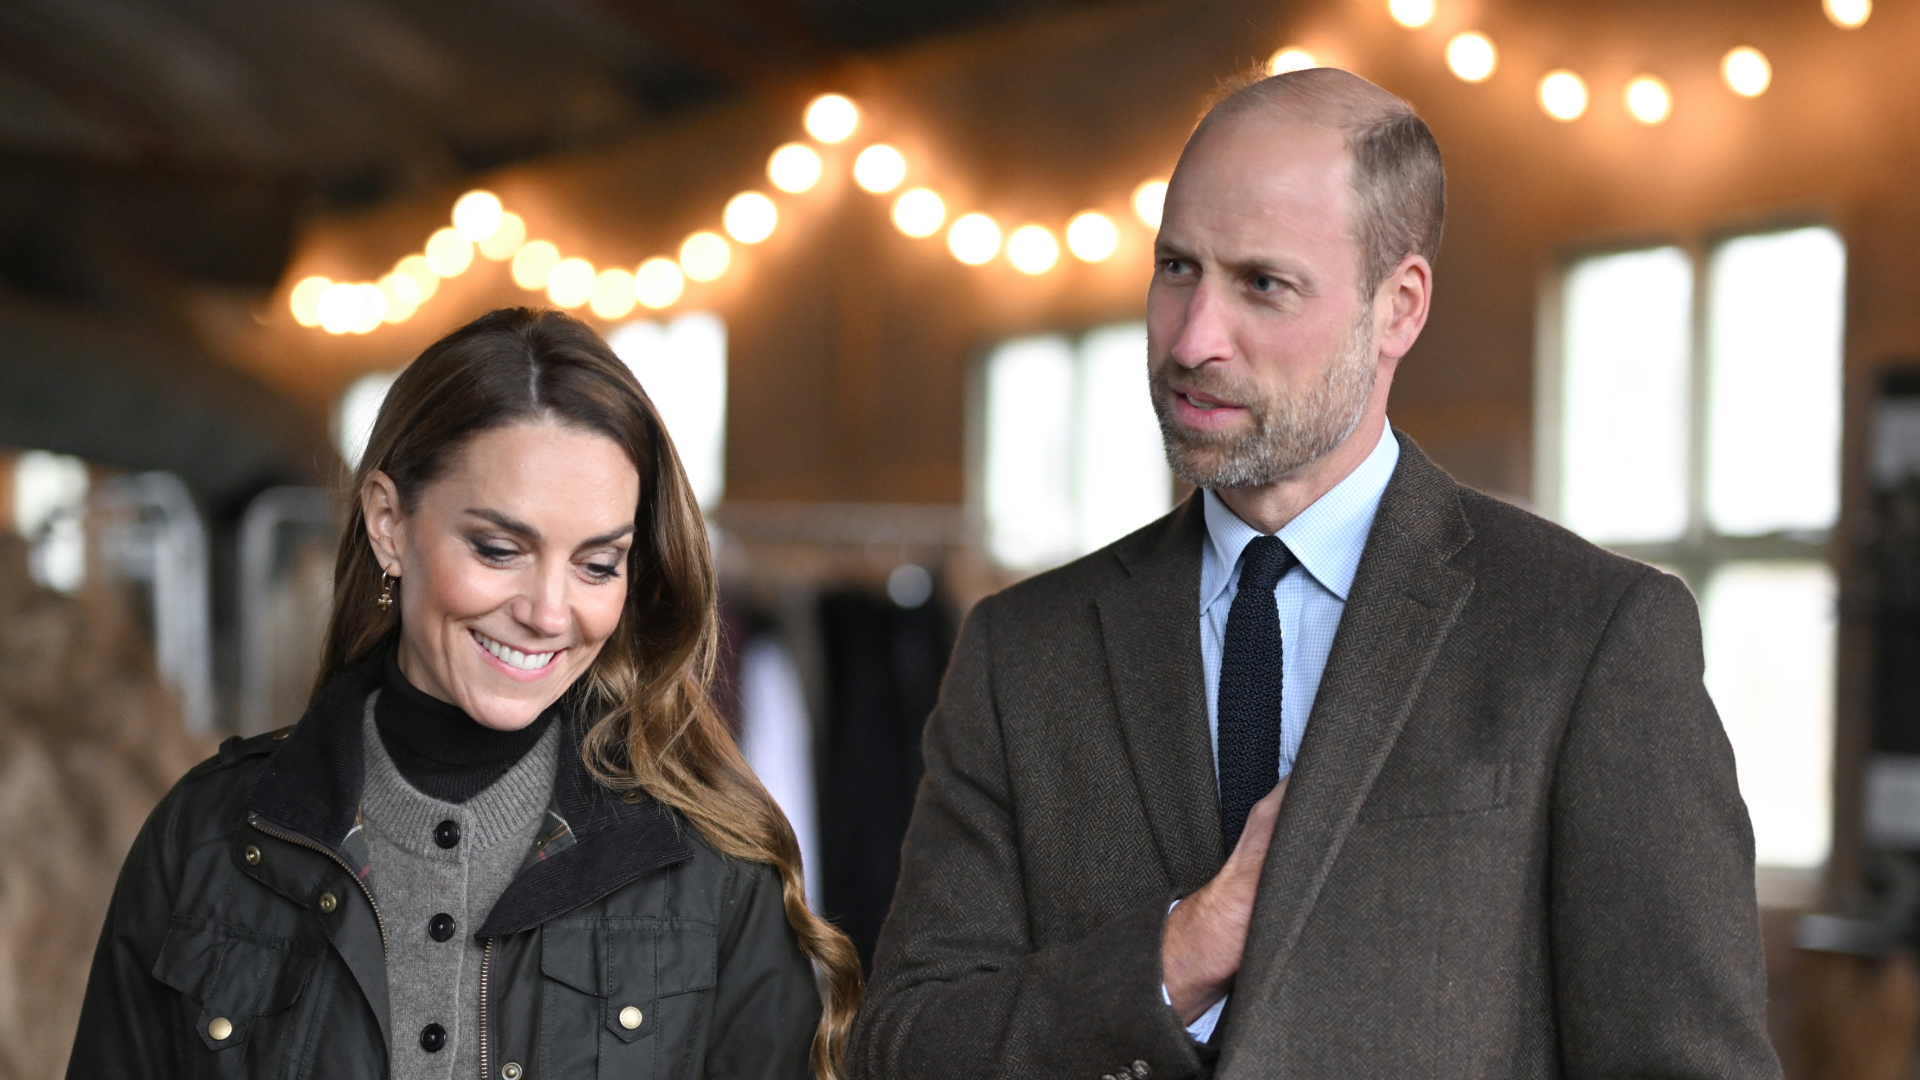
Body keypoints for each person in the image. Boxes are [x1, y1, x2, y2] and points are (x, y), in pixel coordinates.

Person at [849, 68, 1781, 1079]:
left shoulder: (1591, 637)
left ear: (1399, 309)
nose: (1194, 338)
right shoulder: (1022, 650)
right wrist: (1177, 954)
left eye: (1263, 284)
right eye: (1176, 269)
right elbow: (903, 1050)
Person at [68, 308, 862, 1080]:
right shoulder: (204, 840)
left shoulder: (713, 869)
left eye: (597, 564)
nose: (550, 612)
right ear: (388, 522)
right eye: (498, 547)